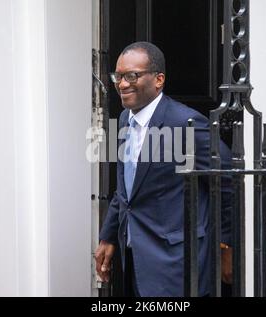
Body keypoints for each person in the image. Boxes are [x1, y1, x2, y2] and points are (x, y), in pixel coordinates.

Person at [94, 42, 233, 297]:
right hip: (134, 259)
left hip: (176, 265)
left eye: (132, 76)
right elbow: (126, 189)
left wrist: (226, 244)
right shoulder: (126, 119)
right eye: (119, 76)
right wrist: (109, 236)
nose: (122, 84)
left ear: (158, 79)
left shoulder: (184, 123)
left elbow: (227, 180)